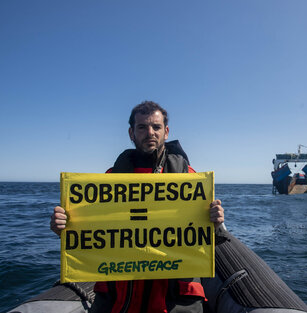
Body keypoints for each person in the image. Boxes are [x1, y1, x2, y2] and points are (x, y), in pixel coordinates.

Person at [50, 101, 225, 313]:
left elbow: (205, 239)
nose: (150, 132)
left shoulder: (189, 177)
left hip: (173, 301)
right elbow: (91, 235)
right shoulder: (109, 180)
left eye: (156, 127)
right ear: (131, 133)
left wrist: (214, 223)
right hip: (119, 299)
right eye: (142, 127)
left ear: (166, 132)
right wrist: (64, 229)